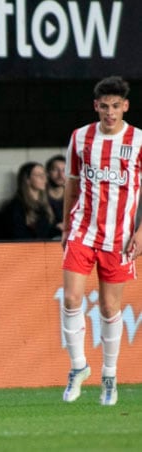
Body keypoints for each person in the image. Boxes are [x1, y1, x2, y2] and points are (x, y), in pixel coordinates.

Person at [60, 76, 142, 407]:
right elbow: (72, 183)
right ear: (96, 107)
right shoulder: (80, 138)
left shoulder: (138, 141)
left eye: (116, 106)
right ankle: (79, 366)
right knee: (70, 297)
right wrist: (66, 225)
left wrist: (140, 233)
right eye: (104, 106)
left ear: (125, 106)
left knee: (110, 307)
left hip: (120, 236)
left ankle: (109, 375)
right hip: (83, 230)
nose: (110, 113)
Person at [5, 162, 57, 240]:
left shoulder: (45, 204)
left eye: (44, 174)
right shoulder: (17, 207)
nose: (44, 179)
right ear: (27, 180)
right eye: (39, 175)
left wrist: (58, 228)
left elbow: (46, 233)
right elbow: (18, 237)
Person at [46, 154, 66, 232]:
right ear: (47, 173)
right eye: (55, 170)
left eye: (64, 170)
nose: (60, 175)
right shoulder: (39, 197)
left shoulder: (74, 197)